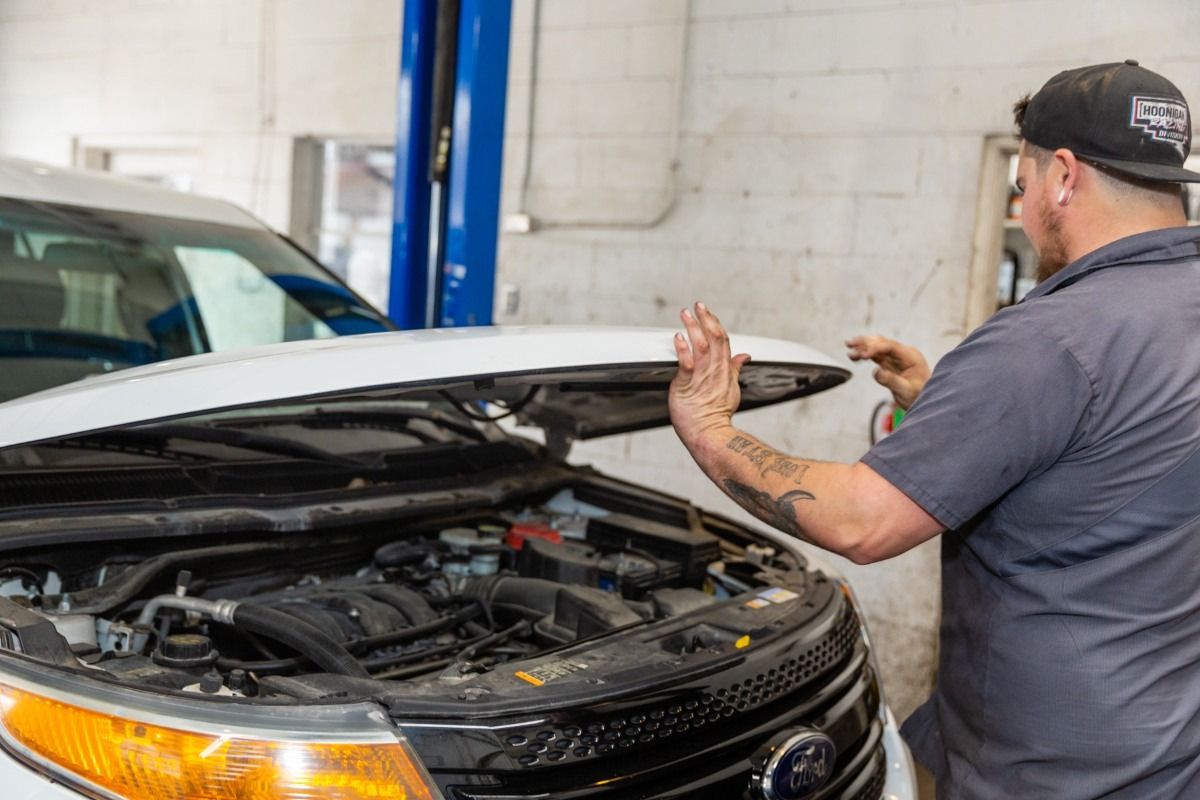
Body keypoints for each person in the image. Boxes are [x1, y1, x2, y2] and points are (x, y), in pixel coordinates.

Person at [668, 61, 1200, 799]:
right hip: (1167, 753)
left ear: (1064, 177)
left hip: (1042, 773)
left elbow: (862, 521)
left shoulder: (1047, 340)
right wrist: (947, 405)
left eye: (1023, 185)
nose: (1023, 207)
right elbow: (1120, 447)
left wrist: (709, 429)